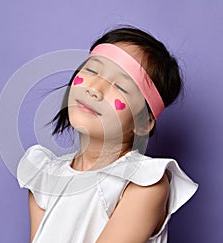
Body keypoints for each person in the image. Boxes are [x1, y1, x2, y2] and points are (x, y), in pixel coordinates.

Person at [17, 26, 198, 243]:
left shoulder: (145, 183)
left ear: (143, 122)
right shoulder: (46, 174)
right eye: (92, 71)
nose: (94, 89)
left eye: (120, 86)